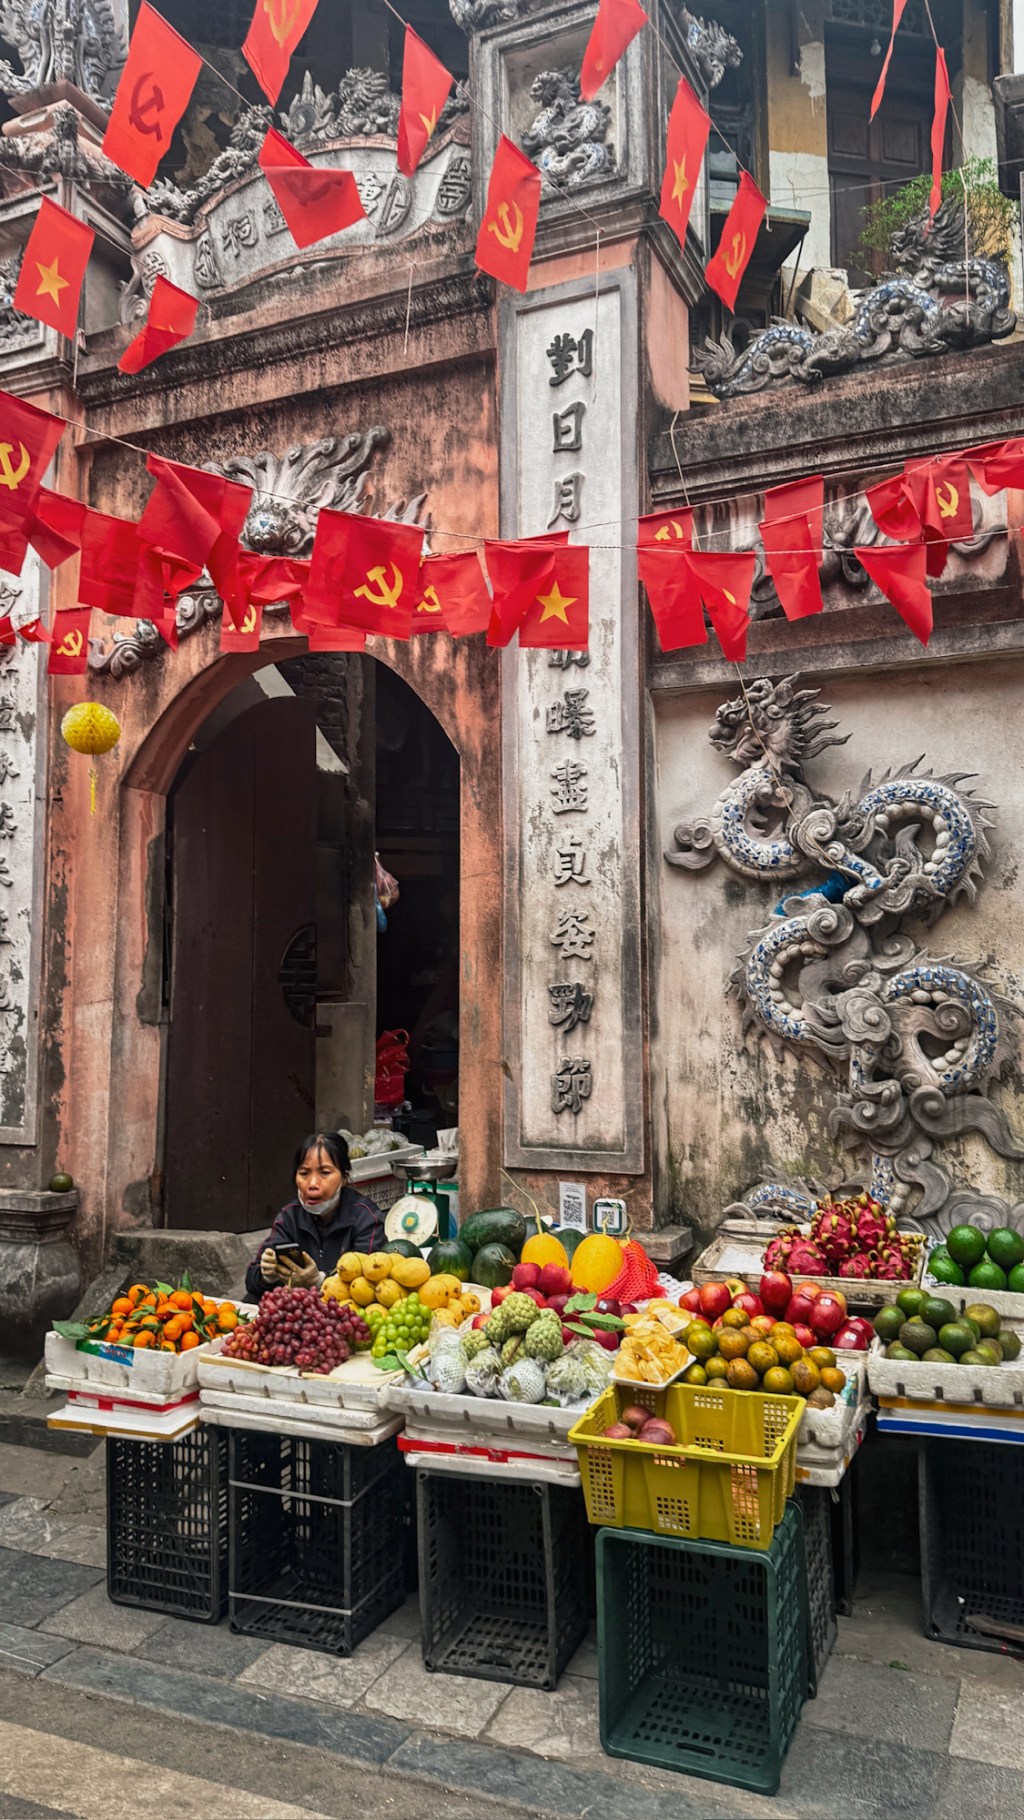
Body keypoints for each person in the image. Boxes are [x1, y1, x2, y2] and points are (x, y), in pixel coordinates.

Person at [245, 1131, 385, 1302]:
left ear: (344, 1177)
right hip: (297, 1314)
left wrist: (319, 1281)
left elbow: (367, 1287)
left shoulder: (367, 1219)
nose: (312, 1184)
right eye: (304, 1173)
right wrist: (266, 1275)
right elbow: (251, 1281)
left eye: (325, 1173)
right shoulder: (290, 1217)